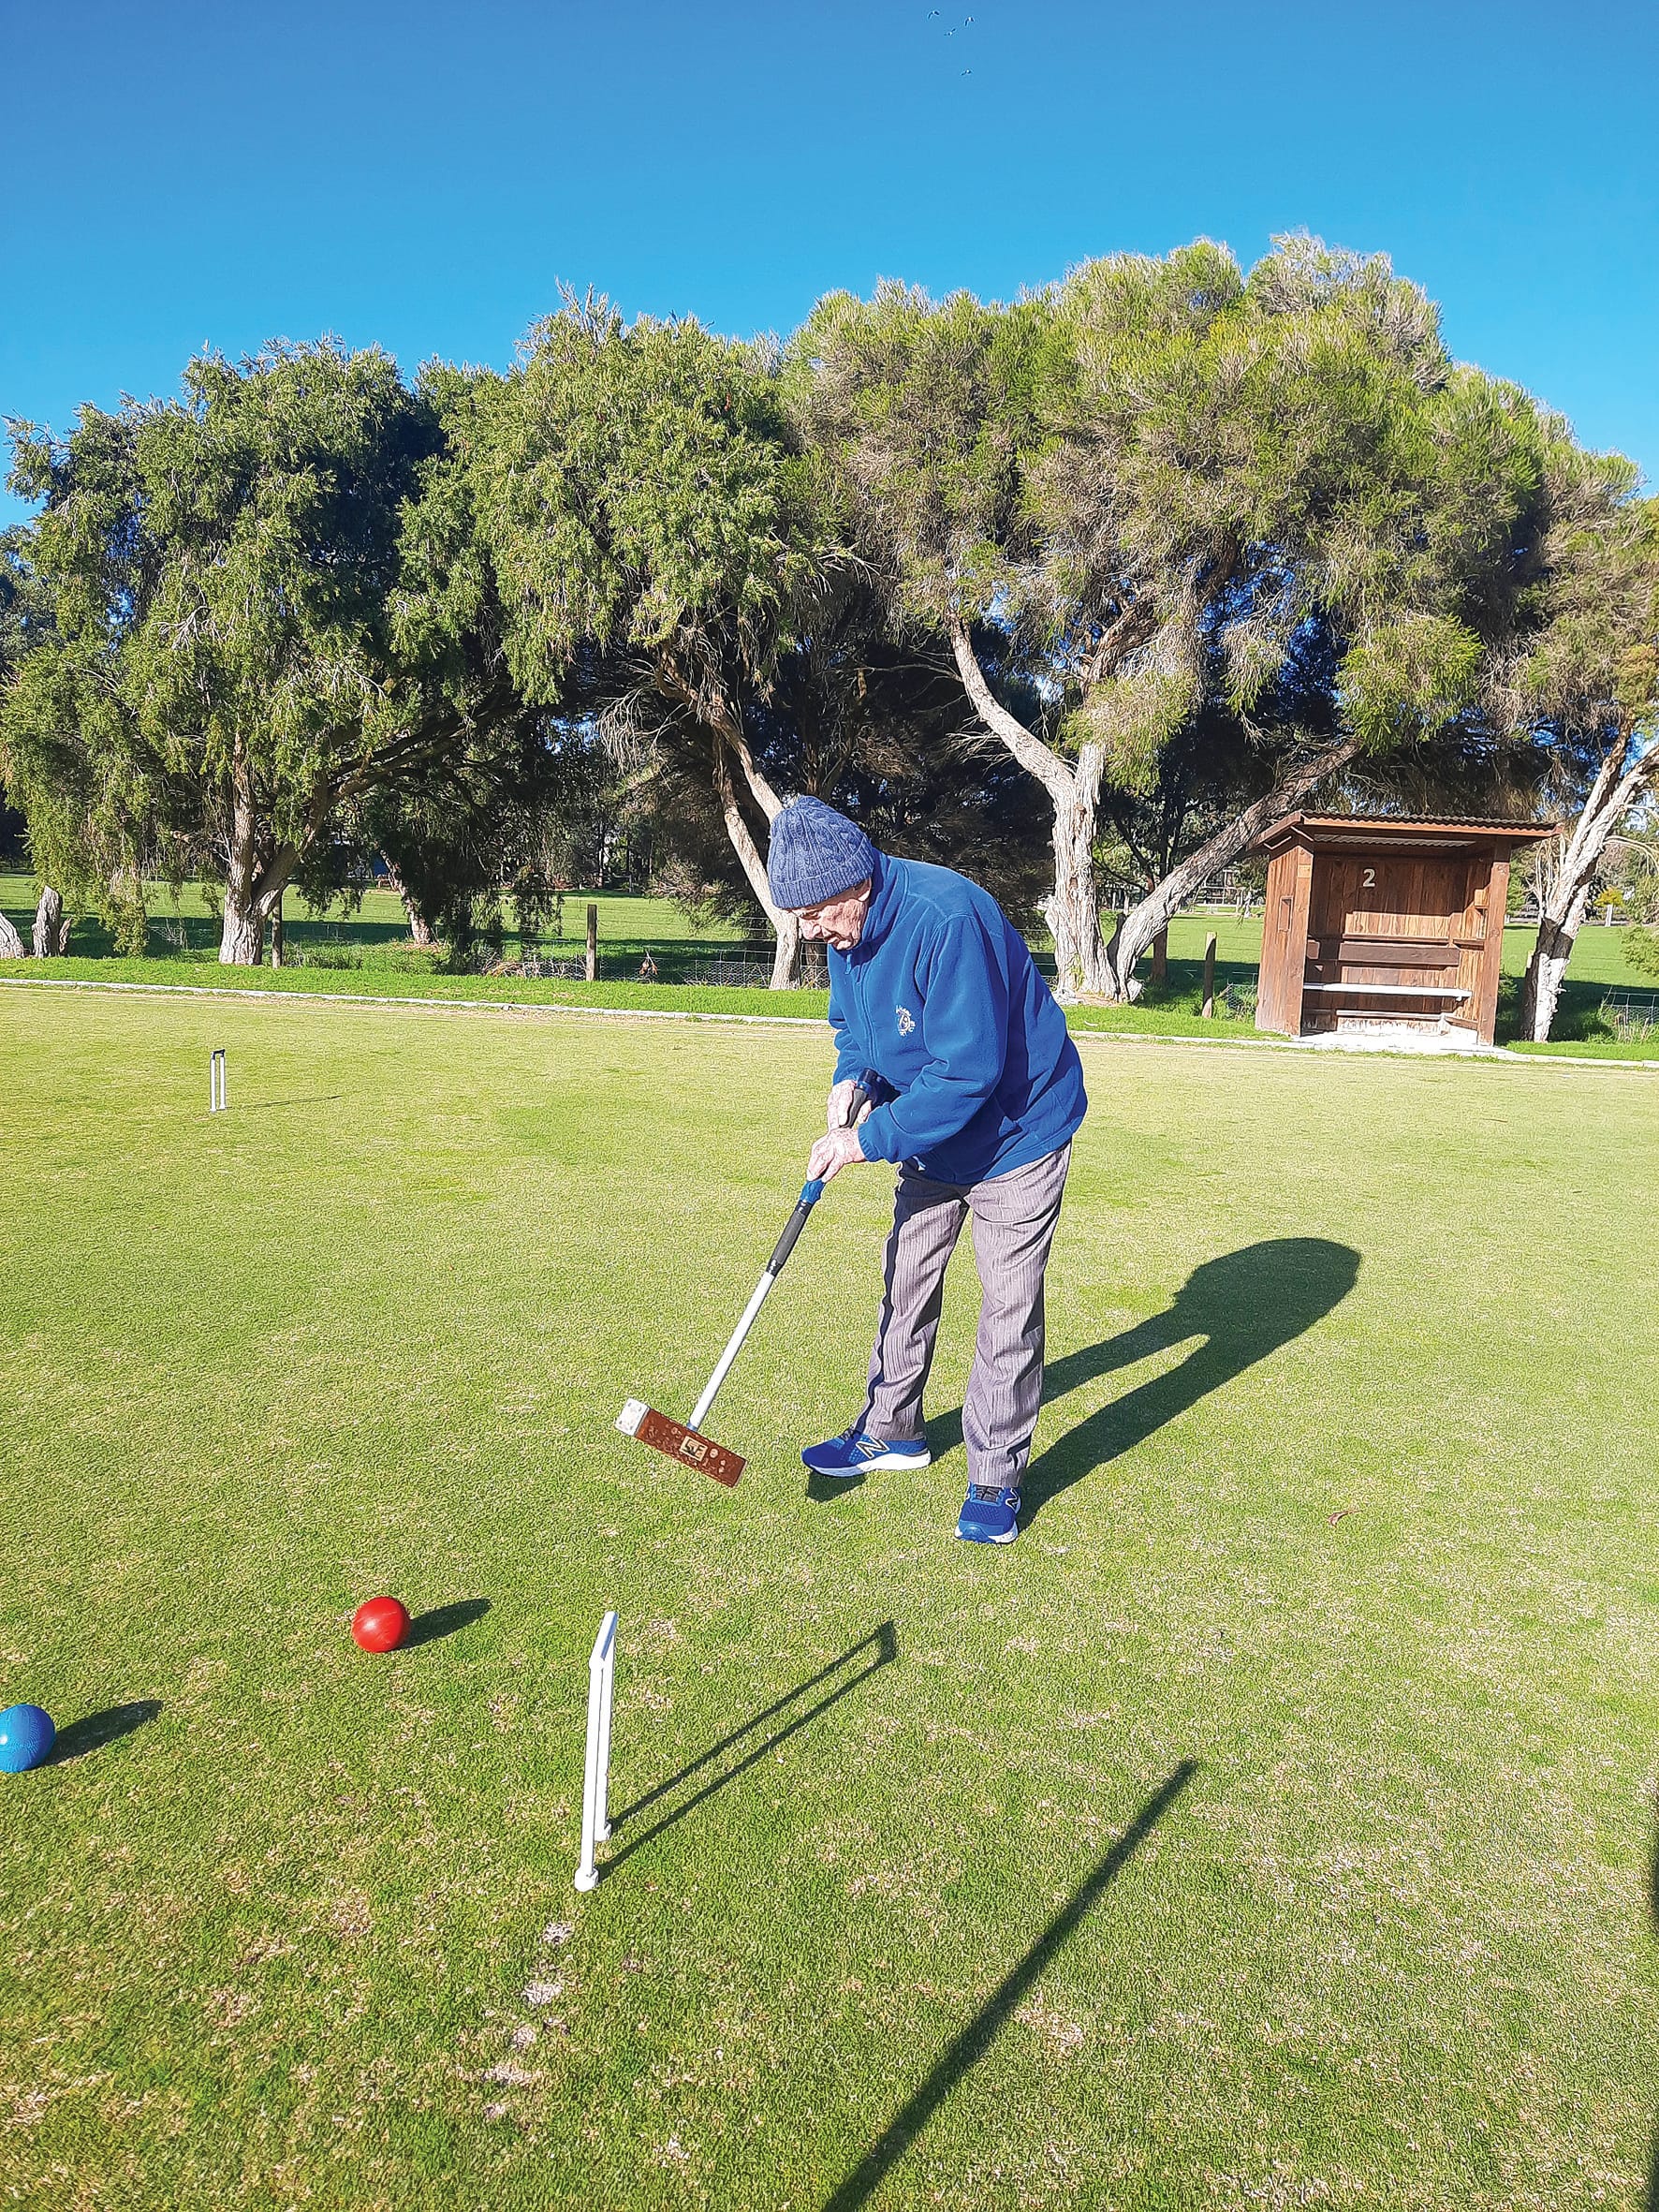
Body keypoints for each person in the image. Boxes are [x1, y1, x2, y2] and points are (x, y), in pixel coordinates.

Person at [768, 796, 1088, 1545]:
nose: (809, 933)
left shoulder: (946, 918)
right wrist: (855, 1080)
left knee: (1007, 1307)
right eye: (799, 919)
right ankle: (892, 1430)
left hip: (1017, 1134)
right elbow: (857, 1030)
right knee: (907, 1277)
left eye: (813, 915)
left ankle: (996, 1477)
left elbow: (968, 1071)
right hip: (931, 1134)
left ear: (854, 885)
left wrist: (866, 1139)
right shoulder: (845, 936)